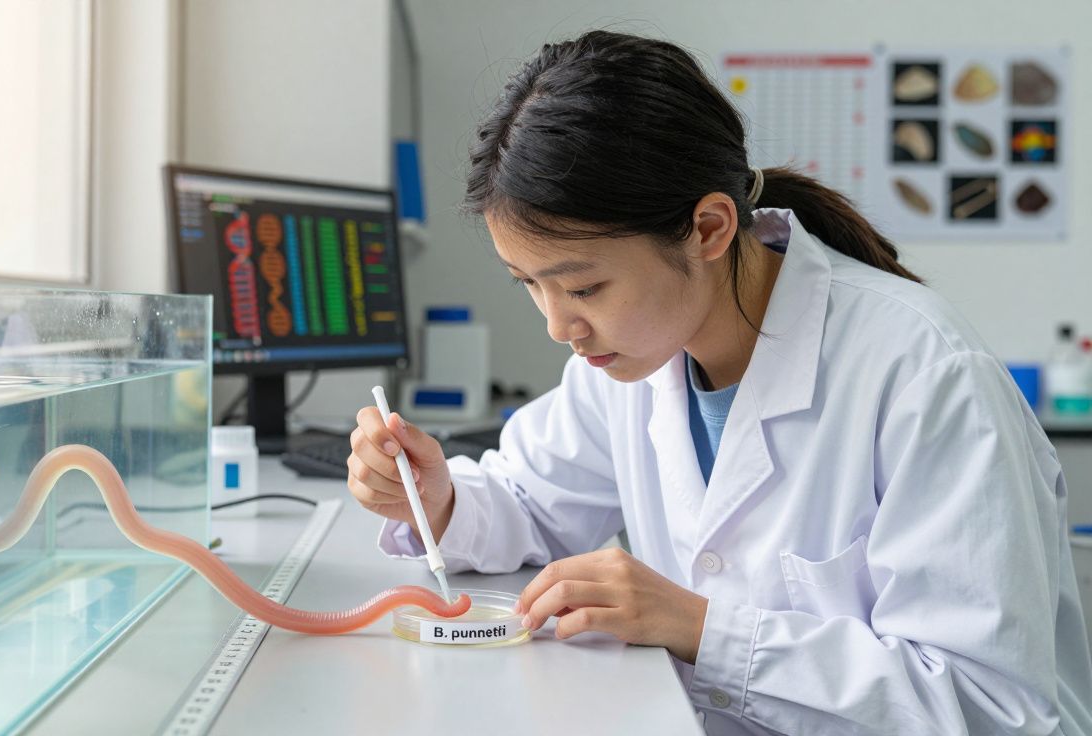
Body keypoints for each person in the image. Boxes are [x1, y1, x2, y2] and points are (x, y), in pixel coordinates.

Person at [346, 30, 1092, 735]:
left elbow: (989, 705)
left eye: (583, 288)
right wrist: (434, 499)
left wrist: (702, 629)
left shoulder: (925, 375)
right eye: (529, 285)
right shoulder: (634, 359)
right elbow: (532, 501)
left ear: (709, 229)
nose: (557, 326)